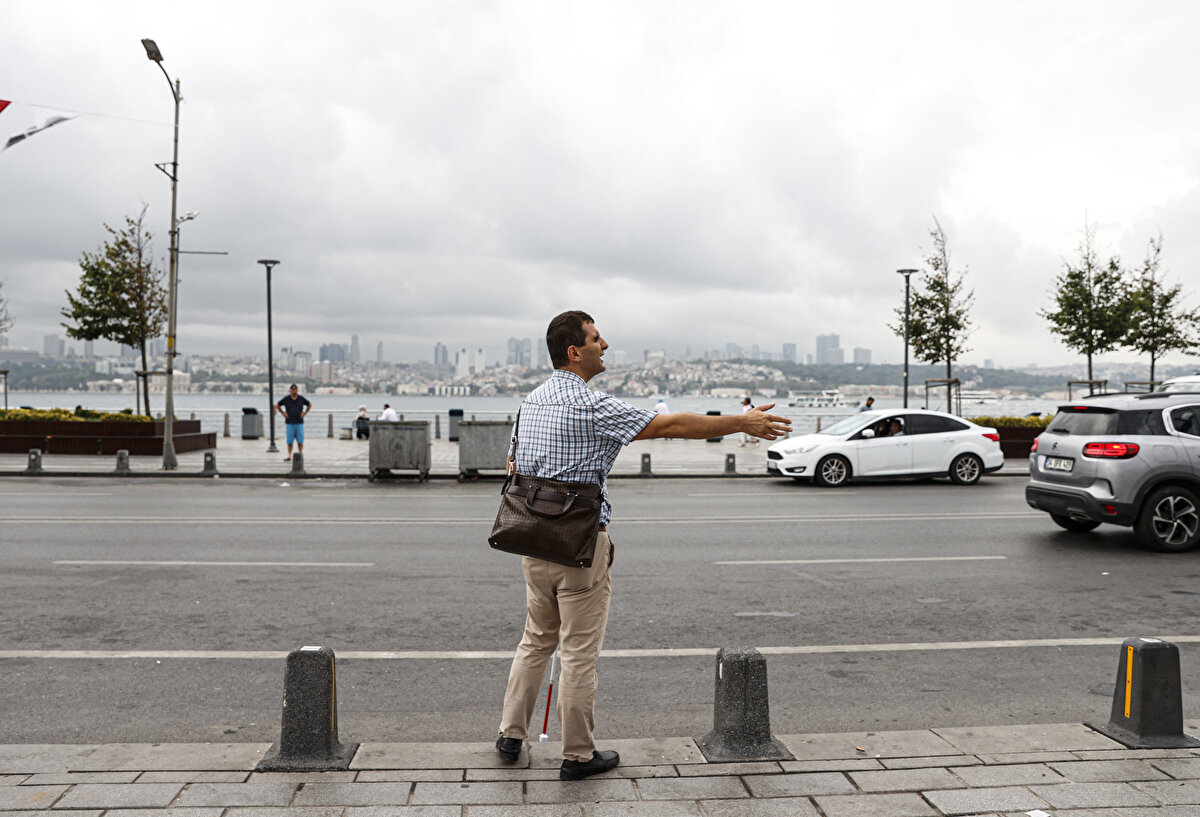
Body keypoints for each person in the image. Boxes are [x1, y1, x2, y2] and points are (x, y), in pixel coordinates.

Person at [496, 310, 790, 781]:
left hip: (531, 540)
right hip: (579, 546)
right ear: (575, 352)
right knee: (576, 654)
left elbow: (513, 462)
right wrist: (741, 422)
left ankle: (511, 734)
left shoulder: (530, 402)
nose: (605, 344)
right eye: (596, 338)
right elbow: (669, 425)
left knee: (535, 640)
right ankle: (577, 755)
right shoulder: (593, 406)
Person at [276, 384, 311, 460]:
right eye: (292, 389)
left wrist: (305, 412)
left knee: (300, 441)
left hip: (299, 422)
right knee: (289, 441)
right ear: (290, 390)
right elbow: (278, 405)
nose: (294, 391)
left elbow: (309, 404)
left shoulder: (301, 399)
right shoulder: (286, 399)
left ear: (297, 390)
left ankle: (300, 454)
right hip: (289, 423)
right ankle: (289, 455)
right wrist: (283, 413)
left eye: (295, 389)